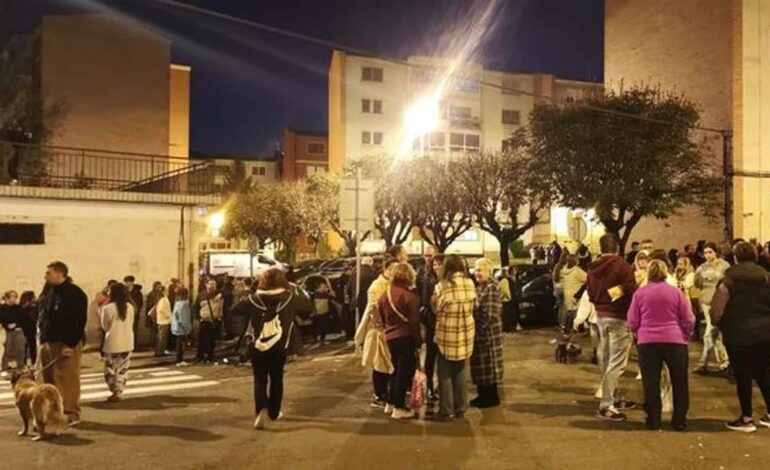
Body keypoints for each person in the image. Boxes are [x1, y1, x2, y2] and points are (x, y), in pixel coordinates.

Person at [230, 268, 314, 430]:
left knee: (260, 379)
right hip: (280, 347)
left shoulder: (253, 299)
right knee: (277, 378)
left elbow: (235, 310)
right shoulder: (290, 298)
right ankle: (274, 412)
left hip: (258, 346)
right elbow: (309, 308)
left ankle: (260, 409)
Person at [709, 241, 770, 432]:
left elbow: (717, 310)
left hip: (737, 334)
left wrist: (719, 324)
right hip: (764, 333)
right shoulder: (766, 277)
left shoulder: (728, 280)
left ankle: (746, 417)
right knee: (764, 373)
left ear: (735, 257)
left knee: (743, 376)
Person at [627, 259, 695, 431]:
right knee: (679, 381)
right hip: (675, 340)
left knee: (651, 382)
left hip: (648, 341)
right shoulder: (675, 292)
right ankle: (679, 419)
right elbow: (688, 318)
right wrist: (685, 334)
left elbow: (633, 320)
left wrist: (637, 333)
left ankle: (653, 419)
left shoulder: (640, 294)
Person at [587, 234, 637, 422]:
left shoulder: (592, 268)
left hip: (600, 316)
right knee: (616, 363)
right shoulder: (622, 265)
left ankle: (613, 398)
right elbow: (631, 289)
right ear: (616, 247)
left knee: (608, 360)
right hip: (619, 317)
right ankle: (606, 404)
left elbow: (590, 294)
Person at [38, 261, 88, 425]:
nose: (45, 276)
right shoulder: (50, 292)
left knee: (67, 380)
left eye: (49, 273)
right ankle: (54, 413)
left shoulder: (75, 294)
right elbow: (45, 317)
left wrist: (70, 344)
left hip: (65, 343)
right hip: (49, 342)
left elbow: (78, 321)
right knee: (50, 380)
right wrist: (43, 340)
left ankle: (71, 413)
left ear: (60, 274)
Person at [432, 254, 476, 421]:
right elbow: (474, 307)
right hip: (465, 333)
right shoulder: (470, 284)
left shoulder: (441, 287)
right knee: (460, 371)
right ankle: (461, 407)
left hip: (446, 334)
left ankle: (447, 409)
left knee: (444, 373)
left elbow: (436, 309)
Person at [378, 262, 421, 420]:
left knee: (395, 370)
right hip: (405, 336)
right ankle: (399, 407)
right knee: (404, 373)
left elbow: (381, 314)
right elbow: (414, 322)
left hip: (390, 337)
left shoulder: (385, 294)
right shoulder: (410, 296)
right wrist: (418, 341)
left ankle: (390, 402)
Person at [358, 258, 398, 409]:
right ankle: (379, 394)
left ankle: (385, 392)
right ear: (385, 269)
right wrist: (381, 325)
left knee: (387, 363)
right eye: (393, 269)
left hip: (390, 329)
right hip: (379, 330)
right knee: (379, 363)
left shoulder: (392, 283)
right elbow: (373, 307)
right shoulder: (377, 285)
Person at [470, 258, 504, 408]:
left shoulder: (490, 287)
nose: (477, 273)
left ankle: (490, 398)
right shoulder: (480, 287)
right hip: (481, 334)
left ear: (489, 272)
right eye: (476, 270)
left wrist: (479, 329)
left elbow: (490, 314)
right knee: (482, 367)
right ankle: (483, 395)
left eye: (480, 270)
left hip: (488, 335)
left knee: (488, 367)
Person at [693, 242, 731, 374]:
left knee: (713, 331)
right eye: (706, 253)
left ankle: (708, 361)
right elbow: (697, 283)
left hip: (720, 300)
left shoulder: (724, 265)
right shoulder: (701, 268)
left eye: (710, 252)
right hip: (706, 301)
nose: (708, 255)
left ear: (716, 252)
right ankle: (720, 360)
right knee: (713, 329)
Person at [99, 282, 135, 402]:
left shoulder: (107, 308)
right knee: (123, 368)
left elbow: (104, 326)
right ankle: (119, 390)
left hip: (112, 342)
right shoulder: (130, 307)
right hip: (127, 341)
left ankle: (113, 390)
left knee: (110, 368)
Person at [421, 253, 444, 405]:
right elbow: (424, 303)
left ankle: (442, 385)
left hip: (446, 324)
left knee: (444, 357)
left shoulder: (448, 281)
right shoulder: (428, 280)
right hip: (432, 324)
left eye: (439, 263)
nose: (436, 266)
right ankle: (429, 385)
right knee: (431, 356)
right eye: (434, 264)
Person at [194, 279, 222, 363]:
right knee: (202, 339)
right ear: (206, 285)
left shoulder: (218, 295)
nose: (212, 286)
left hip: (214, 320)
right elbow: (196, 307)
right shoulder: (201, 295)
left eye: (213, 284)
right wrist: (198, 318)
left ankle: (210, 355)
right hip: (204, 320)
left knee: (211, 340)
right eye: (210, 284)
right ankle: (200, 356)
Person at [0, 291, 28, 370]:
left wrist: (16, 324)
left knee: (20, 350)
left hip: (18, 330)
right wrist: (6, 325)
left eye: (15, 296)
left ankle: (21, 367)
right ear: (7, 297)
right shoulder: (2, 308)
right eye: (12, 296)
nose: (14, 298)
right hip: (6, 331)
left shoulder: (19, 308)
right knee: (6, 350)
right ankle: (4, 368)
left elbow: (23, 319)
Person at [349, 256, 378, 327]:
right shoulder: (372, 272)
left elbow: (349, 285)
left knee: (359, 318)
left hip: (356, 298)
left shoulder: (355, 271)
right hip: (367, 298)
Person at [676, 255, 700, 339]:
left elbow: (686, 284)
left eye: (681, 264)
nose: (678, 265)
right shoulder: (677, 273)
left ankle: (694, 333)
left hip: (691, 298)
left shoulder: (691, 274)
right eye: (678, 263)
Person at [560, 254, 587, 331]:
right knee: (577, 312)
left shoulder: (564, 270)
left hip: (567, 293)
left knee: (569, 311)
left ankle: (567, 328)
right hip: (576, 294)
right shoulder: (577, 271)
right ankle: (576, 328)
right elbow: (588, 278)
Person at [171, 287, 192, 366]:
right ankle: (180, 360)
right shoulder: (185, 304)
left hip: (176, 327)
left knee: (178, 343)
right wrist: (187, 328)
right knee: (182, 344)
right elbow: (184, 318)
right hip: (182, 328)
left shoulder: (177, 303)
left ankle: (178, 360)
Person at [311, 280, 334, 346]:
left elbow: (332, 299)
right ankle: (317, 340)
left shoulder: (326, 295)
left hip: (325, 312)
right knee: (317, 327)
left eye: (325, 287)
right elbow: (311, 304)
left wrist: (330, 292)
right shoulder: (314, 295)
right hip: (317, 313)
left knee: (324, 327)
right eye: (323, 287)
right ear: (319, 287)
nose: (324, 288)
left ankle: (322, 340)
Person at [124, 275, 144, 349]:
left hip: (135, 314)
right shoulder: (124, 292)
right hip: (126, 314)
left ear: (132, 282)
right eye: (126, 282)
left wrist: (137, 310)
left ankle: (133, 345)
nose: (127, 284)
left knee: (134, 330)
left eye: (128, 282)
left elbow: (140, 302)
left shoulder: (137, 292)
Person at [19, 291, 38, 366]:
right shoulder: (22, 309)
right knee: (25, 347)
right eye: (33, 297)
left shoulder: (34, 308)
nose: (35, 299)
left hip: (31, 330)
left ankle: (32, 362)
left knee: (31, 347)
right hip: (25, 330)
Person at [153, 285, 172, 357]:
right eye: (166, 290)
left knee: (161, 337)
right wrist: (167, 315)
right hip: (163, 321)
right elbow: (161, 309)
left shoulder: (162, 299)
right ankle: (160, 352)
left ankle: (160, 351)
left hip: (162, 320)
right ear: (163, 292)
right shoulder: (163, 299)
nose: (167, 291)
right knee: (162, 337)